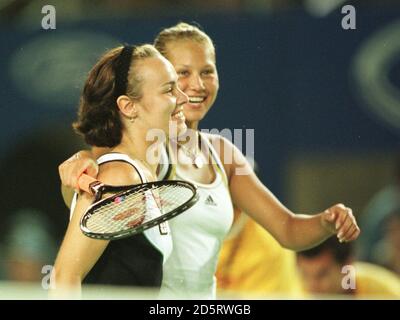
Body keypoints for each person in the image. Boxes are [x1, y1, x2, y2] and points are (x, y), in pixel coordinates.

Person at [58, 23, 360, 299]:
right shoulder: (129, 163)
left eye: (207, 71)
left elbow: (288, 229)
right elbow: (87, 198)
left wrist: (325, 222)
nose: (193, 88)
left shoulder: (222, 154)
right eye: (179, 77)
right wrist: (78, 165)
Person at [50, 44, 188, 298]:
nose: (183, 97)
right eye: (169, 89)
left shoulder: (151, 170)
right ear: (128, 106)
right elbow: (64, 277)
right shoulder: (120, 177)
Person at [297, 237, 400, 298]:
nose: (312, 286)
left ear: (347, 267)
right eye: (304, 274)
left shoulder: (387, 293)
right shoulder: (295, 292)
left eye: (322, 274)